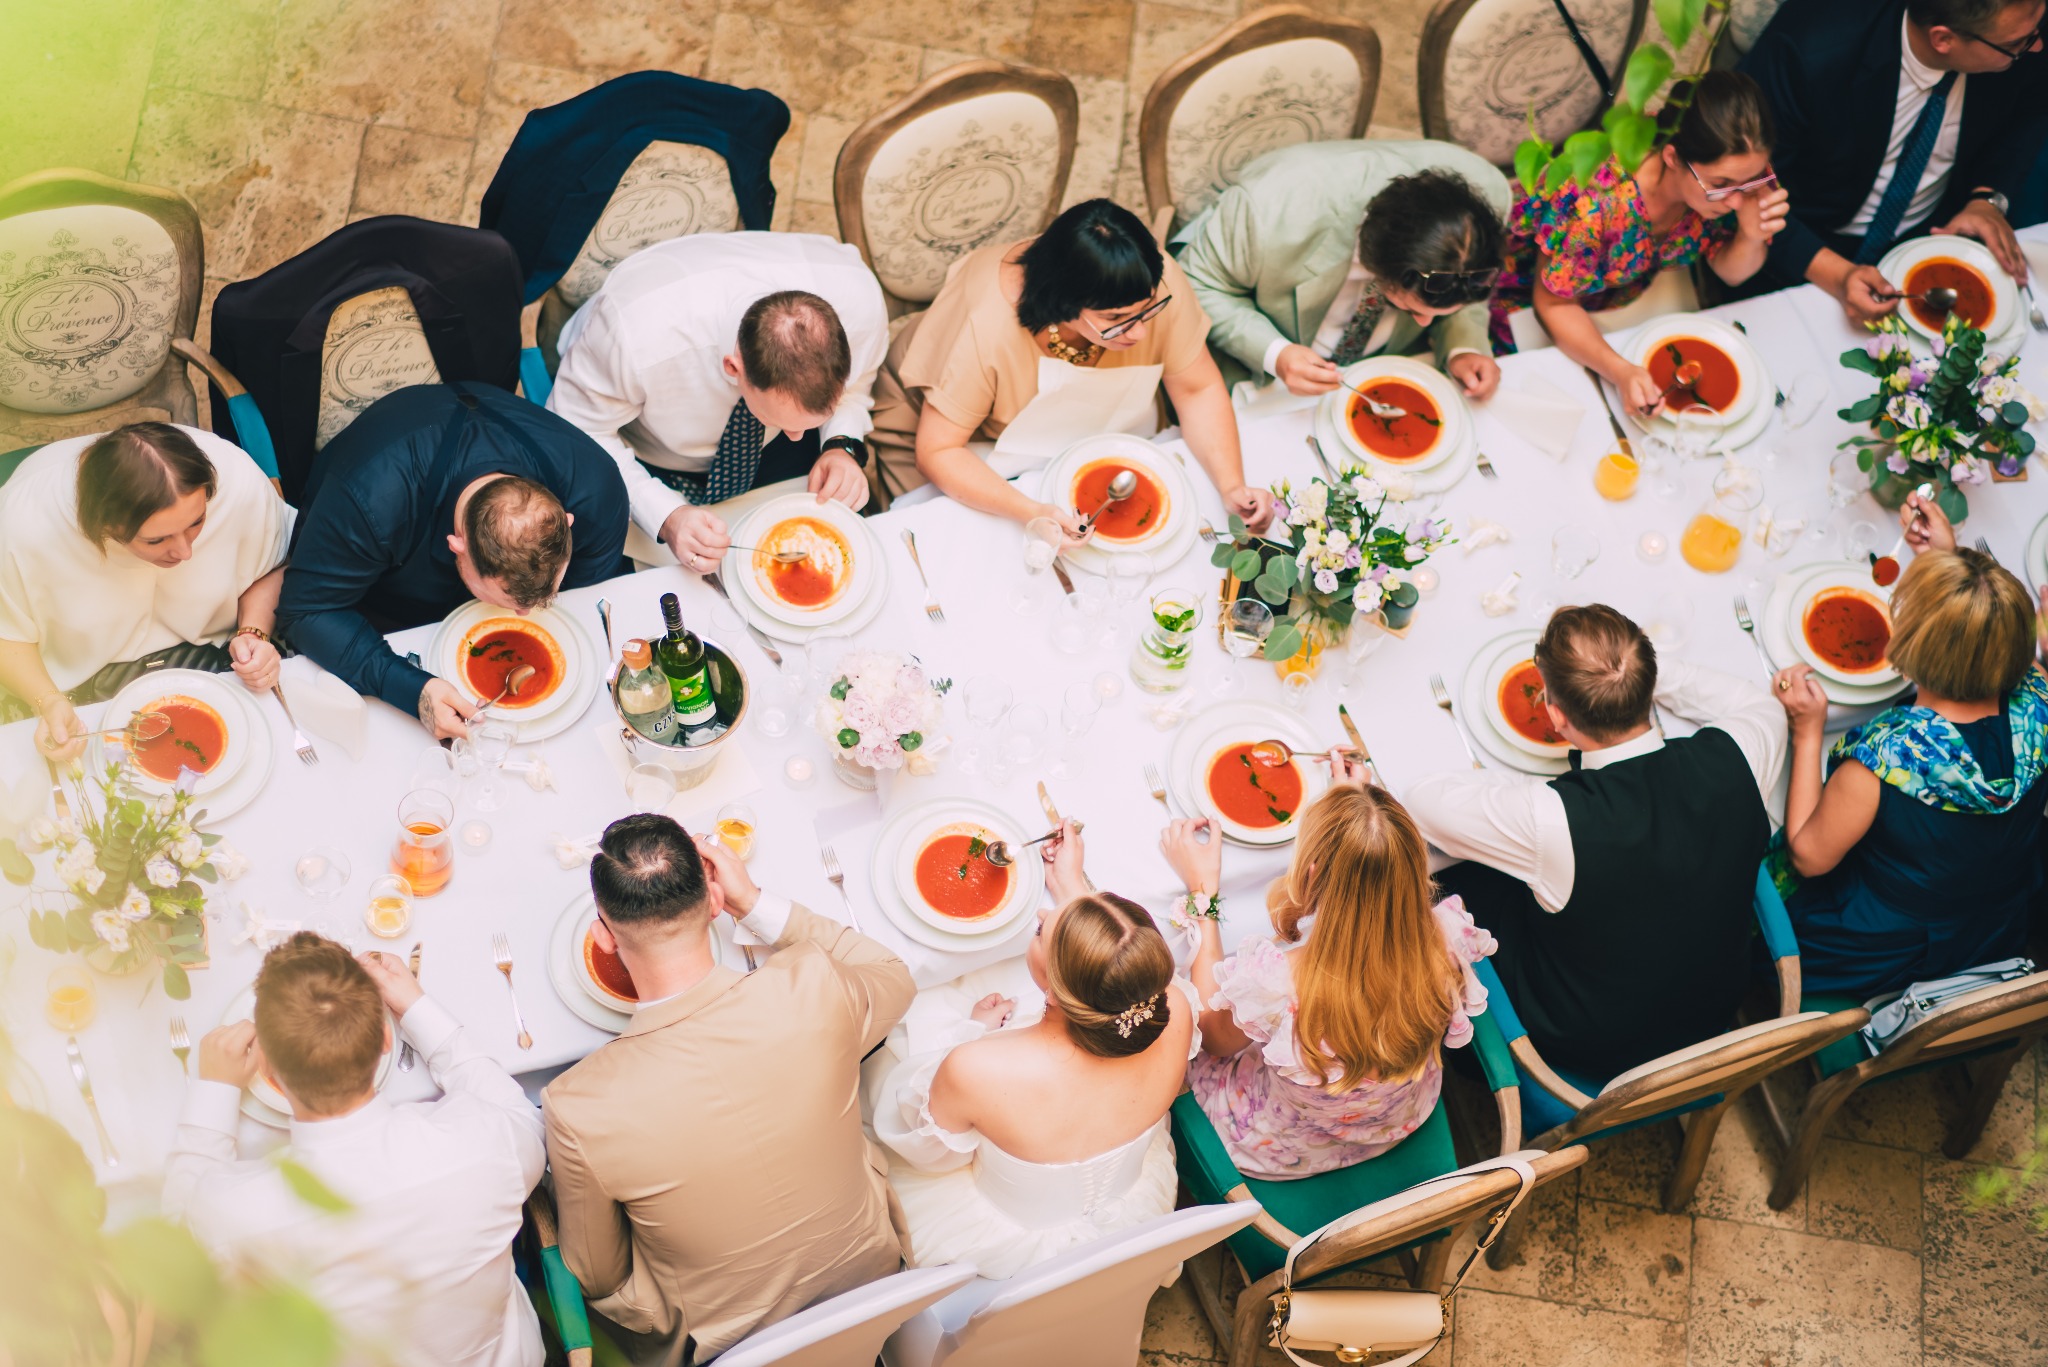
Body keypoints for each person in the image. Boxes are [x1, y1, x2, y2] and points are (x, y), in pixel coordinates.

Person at [543, 814, 915, 1362]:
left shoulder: (578, 1106)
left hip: (722, 1344)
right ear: (714, 901)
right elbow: (892, 972)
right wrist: (755, 902)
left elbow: (597, 1275)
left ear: (601, 933)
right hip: (872, 1281)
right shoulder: (813, 984)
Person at [1406, 605, 1788, 1081]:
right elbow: (1754, 701)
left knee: (1445, 874)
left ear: (1556, 716)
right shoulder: (1745, 750)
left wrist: (1593, 677)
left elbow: (1422, 802)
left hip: (1586, 1043)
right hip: (1713, 1012)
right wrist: (1620, 670)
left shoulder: (1552, 818)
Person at [164, 934, 545, 1367]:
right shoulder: (483, 1145)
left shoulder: (238, 1215)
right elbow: (522, 1116)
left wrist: (214, 1089)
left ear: (265, 1064)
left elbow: (178, 1245)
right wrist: (417, 1009)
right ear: (386, 1037)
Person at [872, 824, 1198, 1276]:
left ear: (1052, 992)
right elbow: (1117, 971)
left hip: (999, 1236)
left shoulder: (979, 1067)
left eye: (1044, 932)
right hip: (1134, 1204)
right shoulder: (1173, 1007)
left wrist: (968, 1032)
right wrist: (1074, 888)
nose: (1041, 915)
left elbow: (931, 1155)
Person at [1773, 495, 2048, 996]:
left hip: (1888, 946)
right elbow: (1991, 636)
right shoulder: (2039, 699)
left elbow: (1808, 857)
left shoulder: (1887, 760)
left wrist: (1807, 731)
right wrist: (1952, 560)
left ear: (1909, 646)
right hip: (1991, 923)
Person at [867, 198, 1274, 536]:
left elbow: (1196, 388)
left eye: (1149, 309)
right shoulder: (984, 326)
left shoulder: (1144, 285)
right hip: (960, 440)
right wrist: (1030, 511)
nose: (1140, 332)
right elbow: (939, 450)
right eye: (1117, 319)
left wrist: (1231, 483)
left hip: (1089, 428)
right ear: (1062, 304)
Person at [1159, 771, 1494, 1178]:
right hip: (1396, 1115)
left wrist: (1202, 895)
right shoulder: (1448, 939)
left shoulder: (1278, 984)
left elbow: (1213, 1039)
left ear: (1312, 873)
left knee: (1175, 1008)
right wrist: (1364, 820)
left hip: (1289, 1142)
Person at [276, 382, 627, 739]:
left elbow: (588, 599)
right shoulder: (371, 503)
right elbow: (305, 611)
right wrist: (412, 690)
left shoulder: (595, 490)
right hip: (379, 600)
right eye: (508, 600)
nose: (526, 614)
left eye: (544, 596)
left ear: (569, 522)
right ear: (456, 545)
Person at [545, 232, 887, 572]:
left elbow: (858, 385)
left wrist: (841, 444)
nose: (798, 438)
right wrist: (666, 516)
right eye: (782, 420)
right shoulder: (635, 338)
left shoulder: (861, 304)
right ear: (732, 367)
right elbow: (579, 434)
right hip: (648, 454)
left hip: (759, 453)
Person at [1491, 71, 1789, 409]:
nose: (1737, 201)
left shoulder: (1736, 177)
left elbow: (1730, 272)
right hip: (1522, 306)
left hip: (1609, 306)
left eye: (1750, 181)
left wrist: (1751, 236)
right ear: (1673, 157)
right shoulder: (1594, 202)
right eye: (1721, 183)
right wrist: (1619, 371)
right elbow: (1553, 304)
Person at [1740, 0, 2046, 324]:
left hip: (1934, 234)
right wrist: (1835, 274)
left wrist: (1986, 198)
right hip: (1809, 244)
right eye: (2016, 45)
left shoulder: (2021, 25)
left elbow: (2029, 113)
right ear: (1943, 39)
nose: (2037, 46)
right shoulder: (1806, 49)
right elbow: (1747, 185)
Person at [0, 423, 292, 761]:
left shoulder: (237, 479)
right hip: (76, 685)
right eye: (157, 540)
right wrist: (47, 701)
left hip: (216, 651)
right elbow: (7, 633)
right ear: (104, 525)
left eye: (196, 522)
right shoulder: (22, 530)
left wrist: (254, 633)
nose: (185, 553)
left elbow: (272, 565)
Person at [1176, 142, 1511, 401]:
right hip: (1265, 351)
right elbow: (1197, 282)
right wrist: (1275, 353)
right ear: (1379, 266)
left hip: (1390, 360)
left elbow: (1459, 291)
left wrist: (1464, 347)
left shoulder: (1489, 199)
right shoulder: (1268, 211)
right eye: (1409, 309)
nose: (1425, 323)